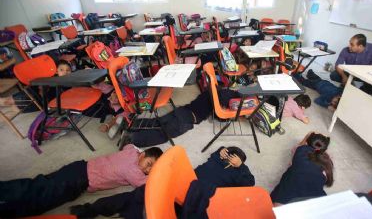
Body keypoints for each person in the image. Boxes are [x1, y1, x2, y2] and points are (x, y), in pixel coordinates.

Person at [70, 146, 254, 218]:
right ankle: (92, 209)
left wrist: (241, 166)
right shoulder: (216, 158)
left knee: (166, 209)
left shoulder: (239, 173)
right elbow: (216, 153)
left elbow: (250, 183)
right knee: (138, 194)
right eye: (230, 153)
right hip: (182, 181)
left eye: (236, 156)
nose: (230, 157)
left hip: (196, 193)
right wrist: (221, 150)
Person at [0, 145, 163, 217]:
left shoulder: (132, 152)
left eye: (151, 169)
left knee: (40, 186)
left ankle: (9, 205)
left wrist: (143, 156)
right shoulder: (133, 171)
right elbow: (146, 186)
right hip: (78, 181)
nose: (148, 171)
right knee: (40, 198)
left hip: (77, 168)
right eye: (149, 165)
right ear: (142, 156)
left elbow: (129, 145)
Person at [126, 89, 241, 148]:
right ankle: (132, 139)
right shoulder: (216, 105)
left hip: (181, 110)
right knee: (163, 134)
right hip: (186, 120)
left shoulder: (210, 91)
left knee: (159, 121)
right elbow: (219, 117)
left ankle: (133, 124)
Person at [270, 132, 334, 205]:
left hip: (285, 199)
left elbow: (300, 145)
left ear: (307, 142)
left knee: (290, 171)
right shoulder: (327, 162)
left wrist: (309, 135)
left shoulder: (300, 151)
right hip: (315, 201)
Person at [0, 60, 72, 113]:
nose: (65, 72)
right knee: (8, 101)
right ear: (56, 71)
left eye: (68, 70)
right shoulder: (51, 78)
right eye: (61, 70)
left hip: (40, 102)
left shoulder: (69, 83)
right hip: (33, 93)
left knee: (14, 109)